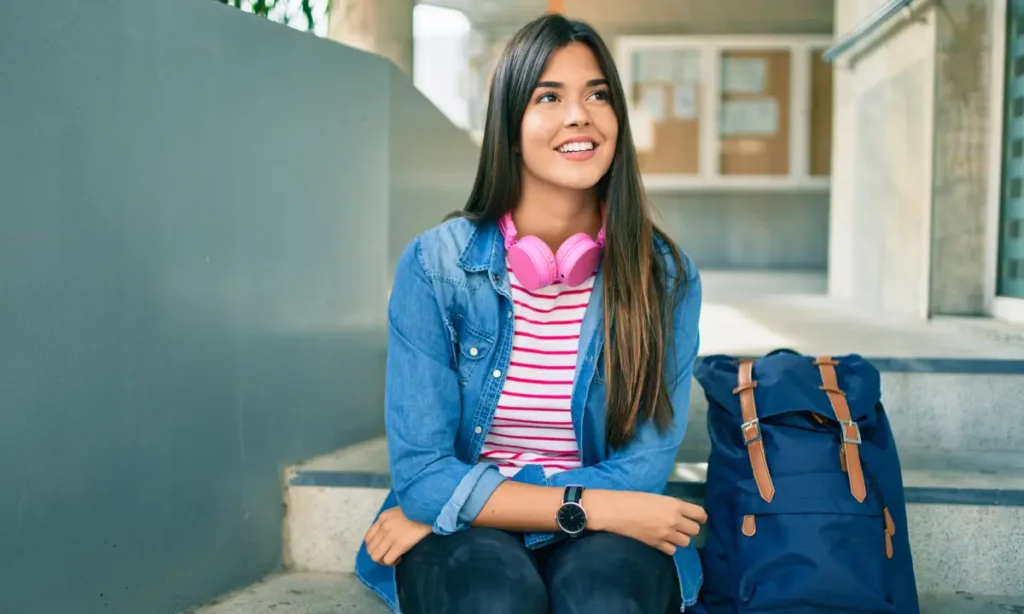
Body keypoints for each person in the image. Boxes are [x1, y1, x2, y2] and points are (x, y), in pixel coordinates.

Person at [354, 12, 705, 614]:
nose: (580, 115)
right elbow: (422, 473)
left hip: (585, 525)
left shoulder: (663, 276)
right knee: (494, 598)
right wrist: (588, 507)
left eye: (598, 94)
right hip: (506, 529)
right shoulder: (437, 268)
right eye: (549, 96)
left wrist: (456, 502)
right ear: (510, 129)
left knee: (606, 600)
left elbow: (642, 470)